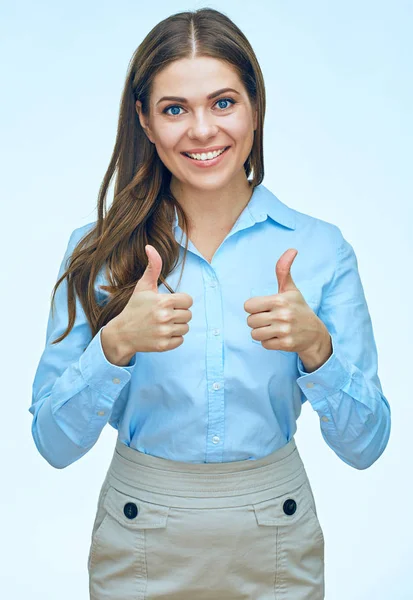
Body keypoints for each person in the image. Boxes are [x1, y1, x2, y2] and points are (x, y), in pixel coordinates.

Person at [29, 7, 391, 599]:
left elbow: (367, 446)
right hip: (138, 536)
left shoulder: (321, 250)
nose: (202, 131)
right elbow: (53, 444)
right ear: (144, 121)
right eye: (175, 109)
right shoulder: (98, 252)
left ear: (255, 108)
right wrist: (114, 346)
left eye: (223, 103)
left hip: (277, 533)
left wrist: (319, 351)